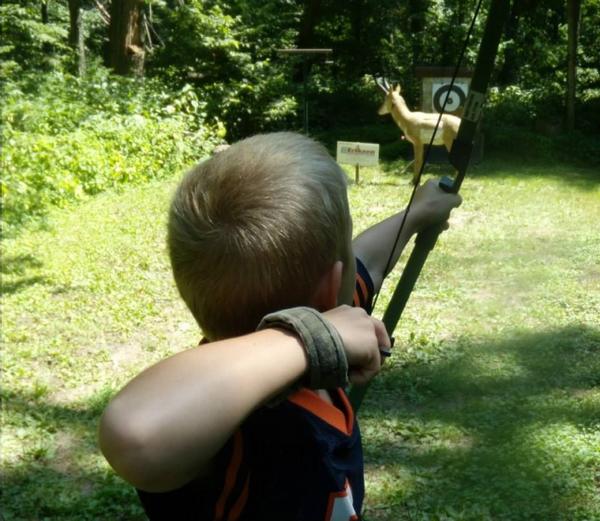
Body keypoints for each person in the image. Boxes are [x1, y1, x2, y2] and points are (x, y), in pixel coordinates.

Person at [99, 132, 461, 520]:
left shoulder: (307, 331)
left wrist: (416, 214)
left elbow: (366, 262)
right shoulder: (229, 422)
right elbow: (135, 435)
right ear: (327, 294)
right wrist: (316, 339)